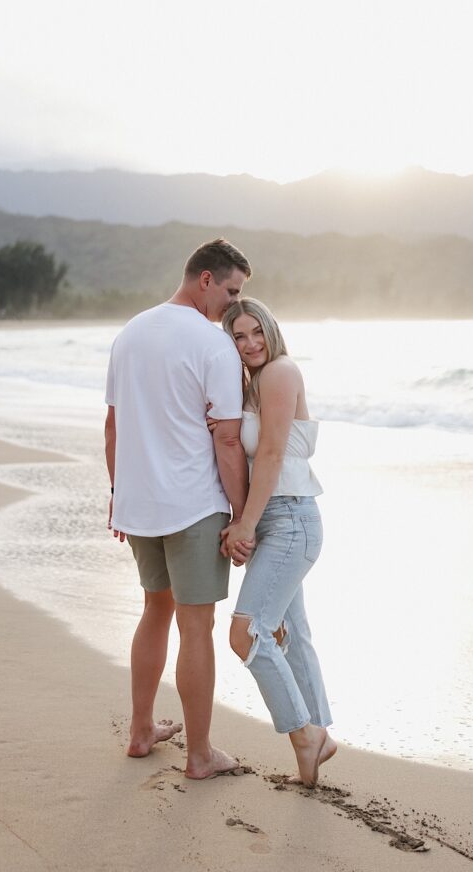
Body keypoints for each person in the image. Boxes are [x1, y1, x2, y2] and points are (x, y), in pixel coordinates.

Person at [104, 238, 252, 779]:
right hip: (193, 504)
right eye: (231, 291)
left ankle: (142, 731)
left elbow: (113, 426)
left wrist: (120, 495)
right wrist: (241, 516)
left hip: (140, 505)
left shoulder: (131, 332)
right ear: (206, 279)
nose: (233, 306)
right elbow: (229, 442)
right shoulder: (214, 346)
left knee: (154, 610)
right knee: (196, 626)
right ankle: (200, 755)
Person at [208, 297, 335, 787]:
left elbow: (273, 454)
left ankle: (304, 735)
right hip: (277, 520)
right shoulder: (251, 383)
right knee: (291, 633)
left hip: (290, 520)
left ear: (271, 329)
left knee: (248, 632)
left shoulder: (280, 372)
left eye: (256, 332)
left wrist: (245, 524)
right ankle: (318, 733)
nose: (250, 343)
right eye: (238, 336)